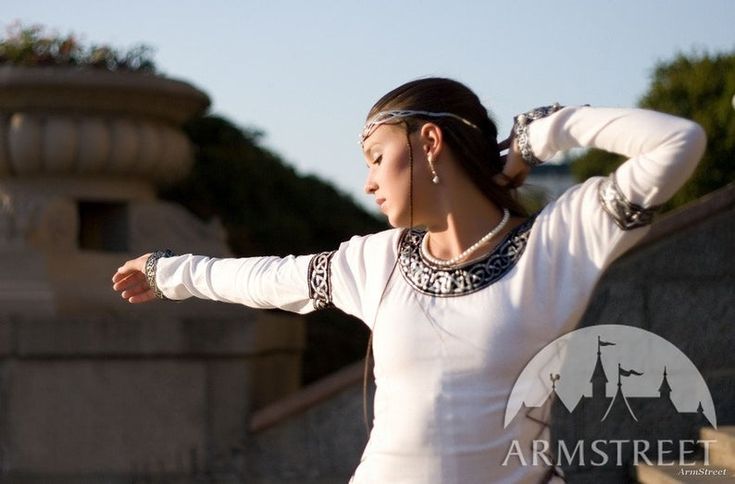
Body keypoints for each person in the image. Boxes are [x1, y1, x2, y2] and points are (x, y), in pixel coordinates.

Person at [112, 78, 706, 483]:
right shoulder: (376, 262)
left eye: (375, 155)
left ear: (428, 141)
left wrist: (538, 137)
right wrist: (170, 273)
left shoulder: (557, 244)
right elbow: (269, 279)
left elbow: (677, 141)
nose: (368, 179)